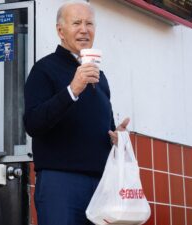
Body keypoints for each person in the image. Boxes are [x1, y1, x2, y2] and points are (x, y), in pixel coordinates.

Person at [23, 1, 129, 225]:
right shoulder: (44, 69)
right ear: (60, 31)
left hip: (101, 185)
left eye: (89, 23)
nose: (84, 29)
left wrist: (116, 137)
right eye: (77, 23)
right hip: (60, 183)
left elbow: (101, 126)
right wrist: (73, 90)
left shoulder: (101, 78)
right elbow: (33, 123)